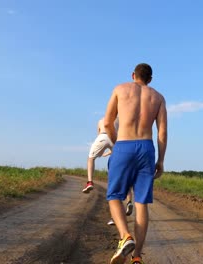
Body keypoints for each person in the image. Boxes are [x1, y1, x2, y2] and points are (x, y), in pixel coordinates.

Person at [104, 63, 167, 264]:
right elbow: (162, 133)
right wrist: (161, 160)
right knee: (141, 203)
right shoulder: (158, 97)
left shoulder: (120, 89)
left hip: (124, 144)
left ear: (133, 75)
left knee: (114, 196)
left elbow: (107, 123)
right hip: (147, 148)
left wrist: (116, 145)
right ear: (150, 79)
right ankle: (137, 256)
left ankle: (125, 236)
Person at [82, 118, 118, 193]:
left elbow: (98, 134)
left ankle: (90, 182)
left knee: (91, 158)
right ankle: (117, 182)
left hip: (103, 136)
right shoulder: (118, 120)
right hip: (114, 138)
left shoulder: (101, 120)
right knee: (117, 160)